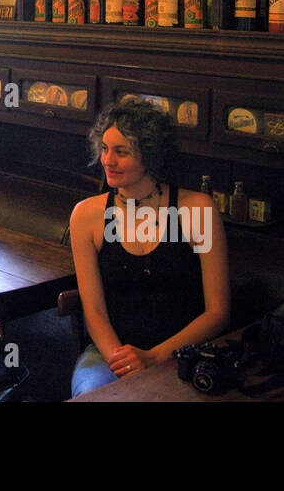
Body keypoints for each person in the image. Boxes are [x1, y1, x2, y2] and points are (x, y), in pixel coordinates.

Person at [68, 100, 230, 397]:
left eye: (121, 152)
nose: (107, 161)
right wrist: (124, 363)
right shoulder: (86, 215)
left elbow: (218, 311)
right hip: (109, 355)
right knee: (94, 394)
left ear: (152, 155)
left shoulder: (197, 209)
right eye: (104, 149)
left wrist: (155, 357)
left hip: (181, 354)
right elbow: (94, 311)